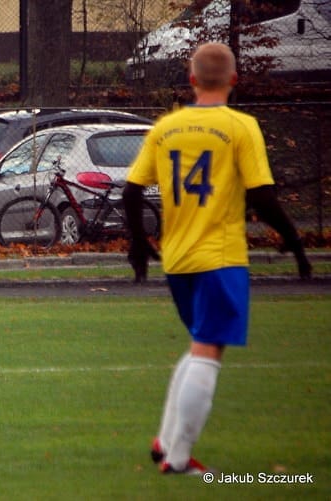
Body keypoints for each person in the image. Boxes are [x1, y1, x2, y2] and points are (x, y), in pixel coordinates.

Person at [122, 42, 311, 475]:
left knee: (201, 344)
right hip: (221, 257)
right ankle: (179, 459)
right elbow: (262, 196)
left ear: (191, 80)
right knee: (209, 351)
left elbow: (131, 191)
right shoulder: (240, 127)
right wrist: (293, 241)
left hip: (178, 259)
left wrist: (140, 244)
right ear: (233, 80)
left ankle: (165, 441)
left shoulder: (166, 127)